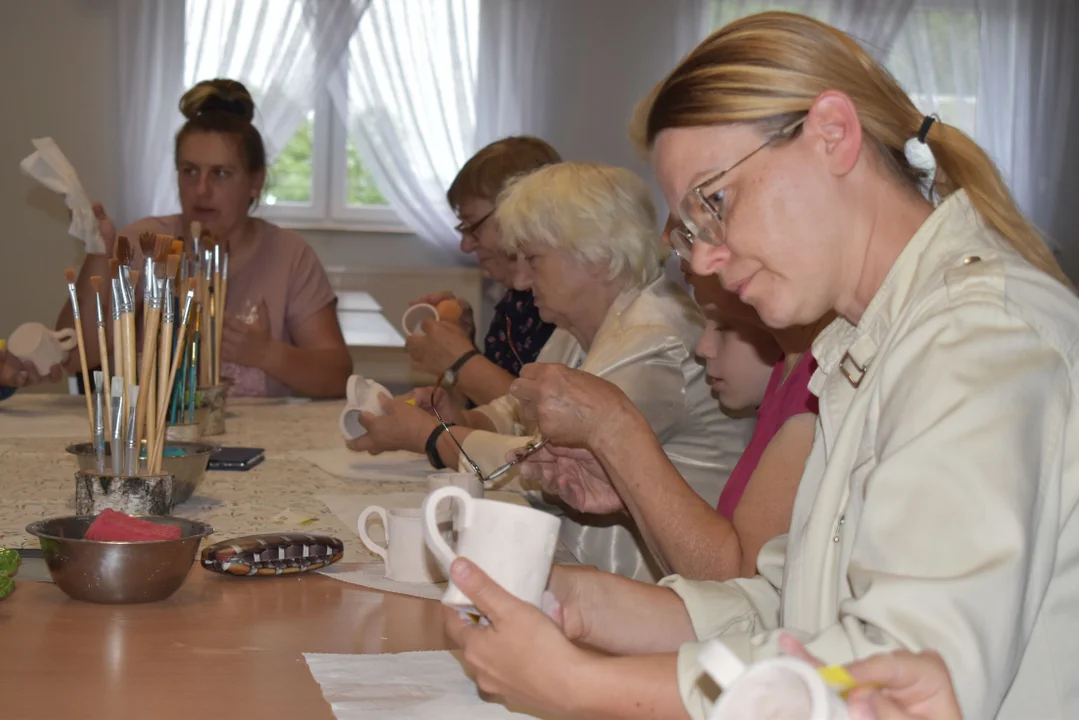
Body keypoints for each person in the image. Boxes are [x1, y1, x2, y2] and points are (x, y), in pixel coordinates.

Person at [437, 11, 1079, 720]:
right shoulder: (867, 343)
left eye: (715, 203)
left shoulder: (976, 336)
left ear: (831, 135)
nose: (703, 259)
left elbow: (893, 685)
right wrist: (581, 602)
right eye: (690, 228)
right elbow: (788, 614)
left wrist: (582, 687)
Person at [351, 162, 753, 581]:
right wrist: (462, 419)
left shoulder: (656, 338)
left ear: (596, 255)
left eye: (534, 260)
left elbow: (540, 459)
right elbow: (514, 407)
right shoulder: (582, 324)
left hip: (660, 583)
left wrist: (428, 436)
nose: (521, 281)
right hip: (593, 563)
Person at [515, 222, 823, 580]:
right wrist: (633, 497)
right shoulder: (786, 374)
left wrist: (615, 425)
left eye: (701, 206)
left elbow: (740, 584)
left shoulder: (813, 389)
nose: (665, 238)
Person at [57, 78, 351, 398]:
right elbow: (72, 358)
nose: (201, 190)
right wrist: (98, 253)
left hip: (262, 441)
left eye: (221, 174)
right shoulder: (145, 244)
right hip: (157, 442)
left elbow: (337, 378)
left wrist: (267, 354)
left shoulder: (290, 255)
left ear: (256, 181)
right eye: (190, 171)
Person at [404, 136, 558, 406]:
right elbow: (490, 414)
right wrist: (463, 346)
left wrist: (460, 359)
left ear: (518, 213)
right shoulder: (514, 305)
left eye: (473, 226)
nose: (465, 246)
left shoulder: (559, 308)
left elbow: (541, 417)